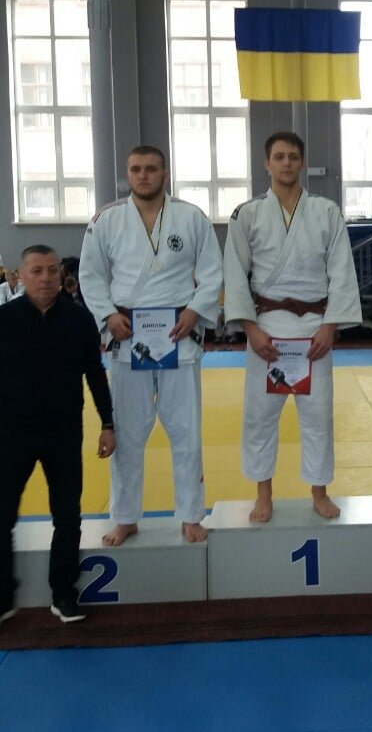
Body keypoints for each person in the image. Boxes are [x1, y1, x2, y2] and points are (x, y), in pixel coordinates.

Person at [79, 145, 223, 546]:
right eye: (136, 169)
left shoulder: (191, 218)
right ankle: (125, 516)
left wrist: (195, 311)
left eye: (151, 169)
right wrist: (107, 315)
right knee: (127, 433)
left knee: (186, 431)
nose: (143, 175)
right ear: (128, 174)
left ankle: (191, 515)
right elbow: (90, 275)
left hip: (179, 335)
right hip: (128, 339)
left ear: (165, 173)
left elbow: (213, 272)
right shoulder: (107, 220)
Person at [223, 131, 362, 523]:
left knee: (318, 417)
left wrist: (330, 327)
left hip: (315, 330)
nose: (286, 163)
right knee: (259, 417)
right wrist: (250, 329)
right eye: (279, 156)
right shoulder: (247, 214)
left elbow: (341, 271)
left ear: (302, 163)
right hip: (265, 329)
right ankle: (263, 494)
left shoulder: (326, 212)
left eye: (293, 157)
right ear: (266, 163)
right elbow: (235, 274)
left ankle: (319, 491)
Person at [0, 246, 115, 625]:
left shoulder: (79, 319)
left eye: (52, 270)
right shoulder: (4, 319)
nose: (46, 278)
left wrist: (108, 423)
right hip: (11, 434)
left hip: (63, 434)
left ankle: (63, 594)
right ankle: (3, 596)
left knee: (67, 517)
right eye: (36, 271)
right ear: (20, 276)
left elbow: (95, 374)